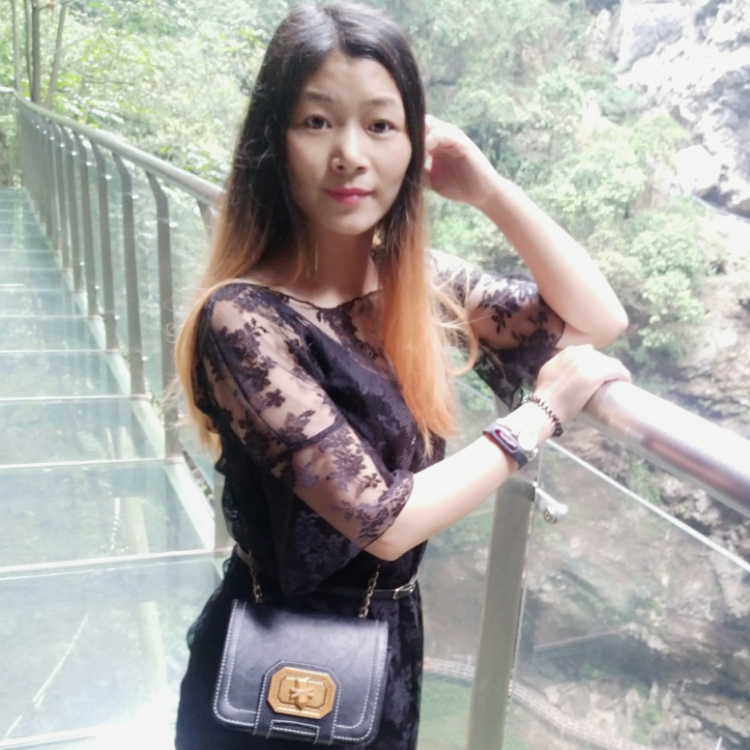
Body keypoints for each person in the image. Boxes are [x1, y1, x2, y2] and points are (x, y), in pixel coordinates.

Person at [173, 2, 630, 748]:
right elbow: (382, 524)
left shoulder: (417, 284)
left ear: (413, 145)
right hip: (269, 674)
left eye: (381, 125)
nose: (350, 154)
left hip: (384, 646)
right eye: (316, 121)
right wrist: (539, 414)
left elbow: (596, 317)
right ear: (273, 142)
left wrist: (489, 190)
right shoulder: (243, 319)